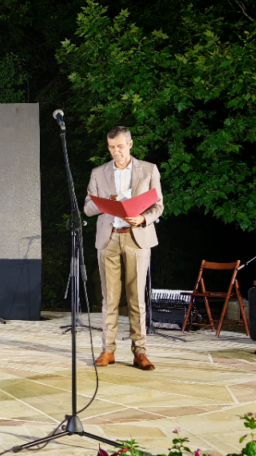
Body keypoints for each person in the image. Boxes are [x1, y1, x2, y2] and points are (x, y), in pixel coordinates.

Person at [83, 126, 164, 371]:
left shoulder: (148, 169)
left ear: (130, 144)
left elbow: (158, 206)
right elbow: (88, 207)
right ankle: (108, 350)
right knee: (109, 298)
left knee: (136, 298)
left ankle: (140, 351)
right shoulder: (99, 173)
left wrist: (142, 218)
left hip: (136, 239)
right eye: (111, 147)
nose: (115, 151)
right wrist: (107, 203)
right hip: (108, 239)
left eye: (119, 146)